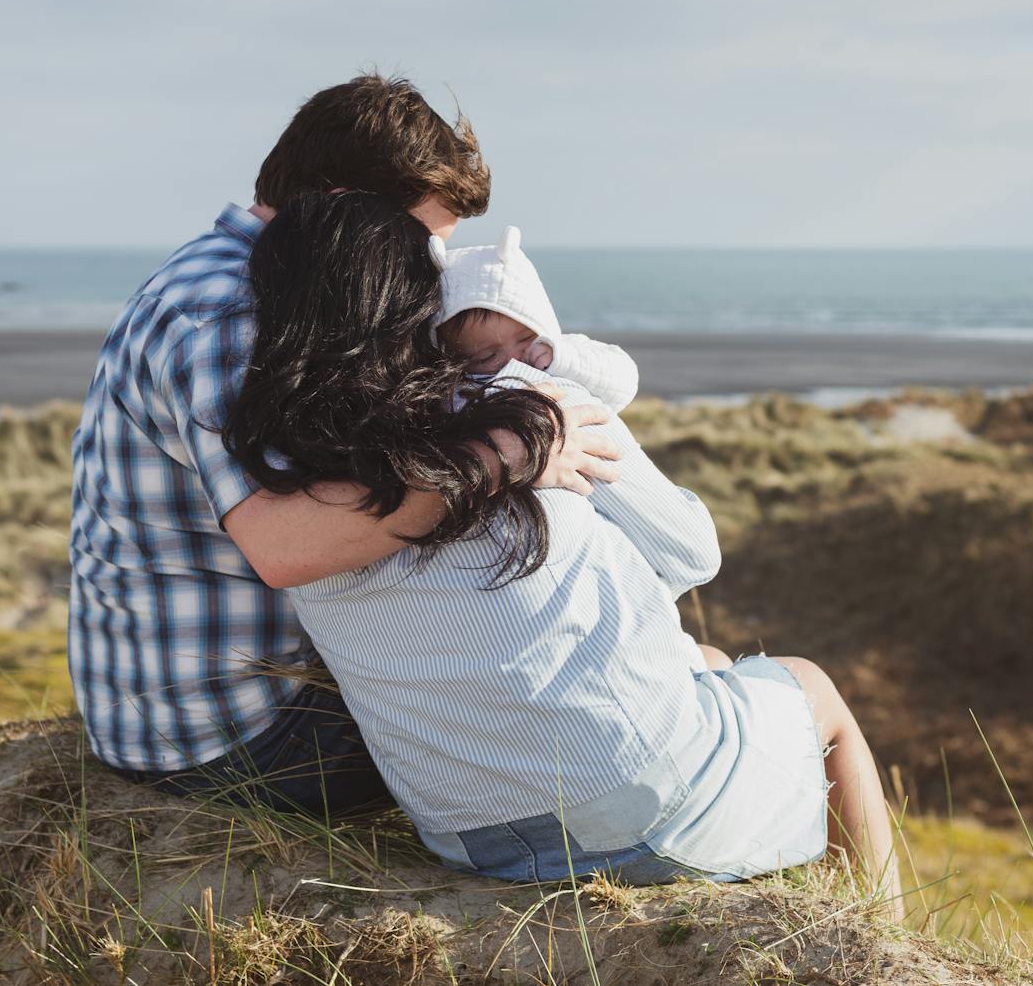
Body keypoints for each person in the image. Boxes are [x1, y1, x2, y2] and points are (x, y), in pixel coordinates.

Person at [236, 191, 905, 915]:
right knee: (814, 691)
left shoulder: (278, 479)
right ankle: (890, 942)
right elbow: (689, 553)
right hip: (641, 802)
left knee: (708, 665)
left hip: (469, 834)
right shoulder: (523, 405)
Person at [66, 75, 622, 815]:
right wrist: (501, 456)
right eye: (421, 241)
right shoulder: (231, 312)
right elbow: (286, 544)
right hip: (243, 734)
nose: (429, 271)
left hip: (184, 713)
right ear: (343, 206)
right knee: (597, 727)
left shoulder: (232, 279)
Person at [430, 224, 640, 411]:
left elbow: (624, 382)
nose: (514, 358)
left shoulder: (566, 352)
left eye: (525, 338)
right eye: (488, 356)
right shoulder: (460, 393)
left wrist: (563, 359)